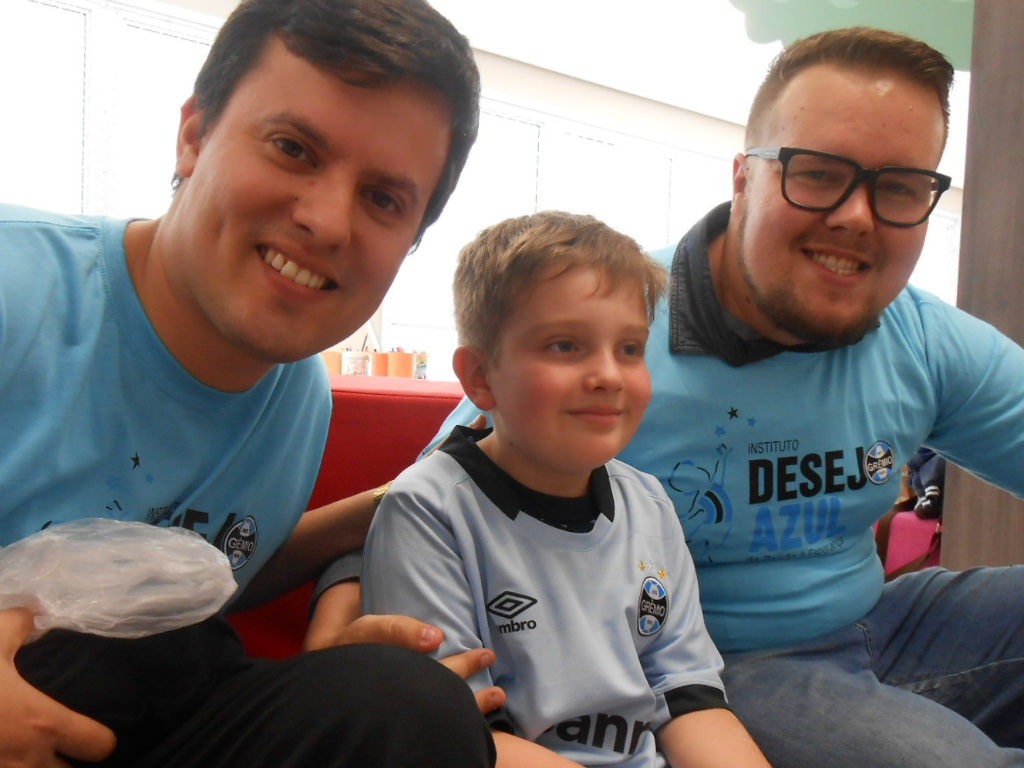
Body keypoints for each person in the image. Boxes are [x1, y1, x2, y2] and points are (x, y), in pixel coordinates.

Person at [380, 26, 1024, 767]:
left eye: (901, 188)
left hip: (884, 620)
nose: (856, 216)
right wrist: (344, 615)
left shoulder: (920, 336)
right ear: (745, 178)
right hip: (715, 664)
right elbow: (436, 495)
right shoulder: (612, 329)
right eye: (817, 173)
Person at [0, 1, 502, 766]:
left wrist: (395, 515)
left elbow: (205, 572)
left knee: (407, 703)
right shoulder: (19, 290)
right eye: (293, 148)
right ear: (195, 135)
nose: (329, 222)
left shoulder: (295, 397)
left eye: (383, 199)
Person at [356, 211, 772, 767]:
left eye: (629, 349)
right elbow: (462, 732)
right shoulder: (429, 510)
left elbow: (689, 696)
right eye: (565, 346)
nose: (608, 374)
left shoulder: (648, 503)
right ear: (480, 377)